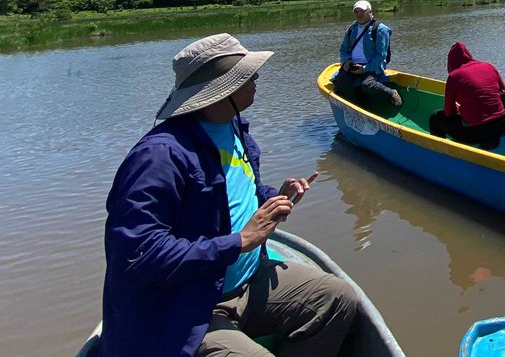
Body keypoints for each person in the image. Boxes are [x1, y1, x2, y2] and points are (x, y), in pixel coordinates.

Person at [101, 33, 358, 357]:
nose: (257, 78)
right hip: (188, 304)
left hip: (246, 280)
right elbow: (137, 256)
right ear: (223, 89)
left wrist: (272, 198)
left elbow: (235, 194)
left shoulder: (234, 126)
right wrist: (240, 241)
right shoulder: (159, 156)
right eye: (247, 75)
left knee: (336, 298)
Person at [428, 41, 505, 147]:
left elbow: (448, 113)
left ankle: (440, 151)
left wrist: (459, 109)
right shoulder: (489, 66)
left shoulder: (454, 76)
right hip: (502, 125)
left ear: (450, 62)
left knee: (435, 116)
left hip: (475, 133)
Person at [332, 0, 402, 107]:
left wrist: (364, 69)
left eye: (362, 11)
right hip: (353, 65)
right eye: (356, 11)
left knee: (367, 84)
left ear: (370, 11)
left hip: (372, 67)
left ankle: (391, 93)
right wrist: (346, 61)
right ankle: (356, 106)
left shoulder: (380, 29)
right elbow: (343, 49)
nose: (359, 14)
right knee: (340, 82)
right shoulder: (352, 28)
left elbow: (381, 56)